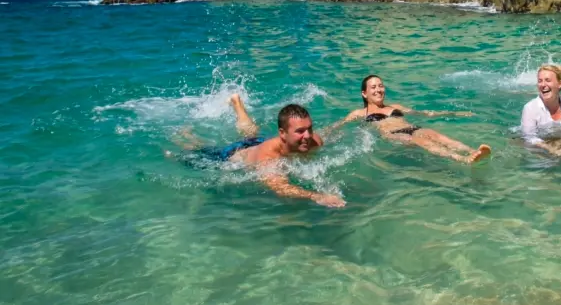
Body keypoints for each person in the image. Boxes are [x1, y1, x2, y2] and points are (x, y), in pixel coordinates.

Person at [181, 94, 345, 208]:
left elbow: (327, 133)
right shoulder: (268, 158)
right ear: (282, 133)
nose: (307, 135)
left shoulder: (313, 140)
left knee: (252, 135)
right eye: (300, 131)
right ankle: (184, 135)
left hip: (262, 143)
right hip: (233, 155)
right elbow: (281, 188)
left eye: (309, 128)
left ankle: (237, 103)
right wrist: (317, 196)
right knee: (199, 151)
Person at [327, 75, 492, 164]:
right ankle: (462, 159)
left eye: (381, 85)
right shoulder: (359, 113)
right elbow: (339, 125)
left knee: (433, 134)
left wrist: (454, 114)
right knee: (420, 140)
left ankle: (472, 151)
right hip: (393, 134)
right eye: (373, 87)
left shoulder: (396, 106)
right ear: (364, 93)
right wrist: (325, 135)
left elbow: (426, 113)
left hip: (412, 127)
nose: (379, 89)